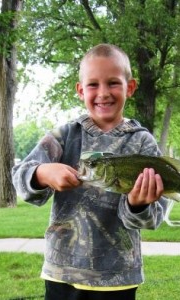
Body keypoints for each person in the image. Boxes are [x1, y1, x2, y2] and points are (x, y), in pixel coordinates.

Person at [12, 44, 168, 300]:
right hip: (62, 273)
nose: (103, 93)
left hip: (118, 278)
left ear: (130, 87)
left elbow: (152, 220)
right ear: (80, 90)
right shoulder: (64, 136)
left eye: (113, 83)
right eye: (93, 84)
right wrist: (42, 173)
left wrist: (137, 205)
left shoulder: (142, 143)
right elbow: (20, 178)